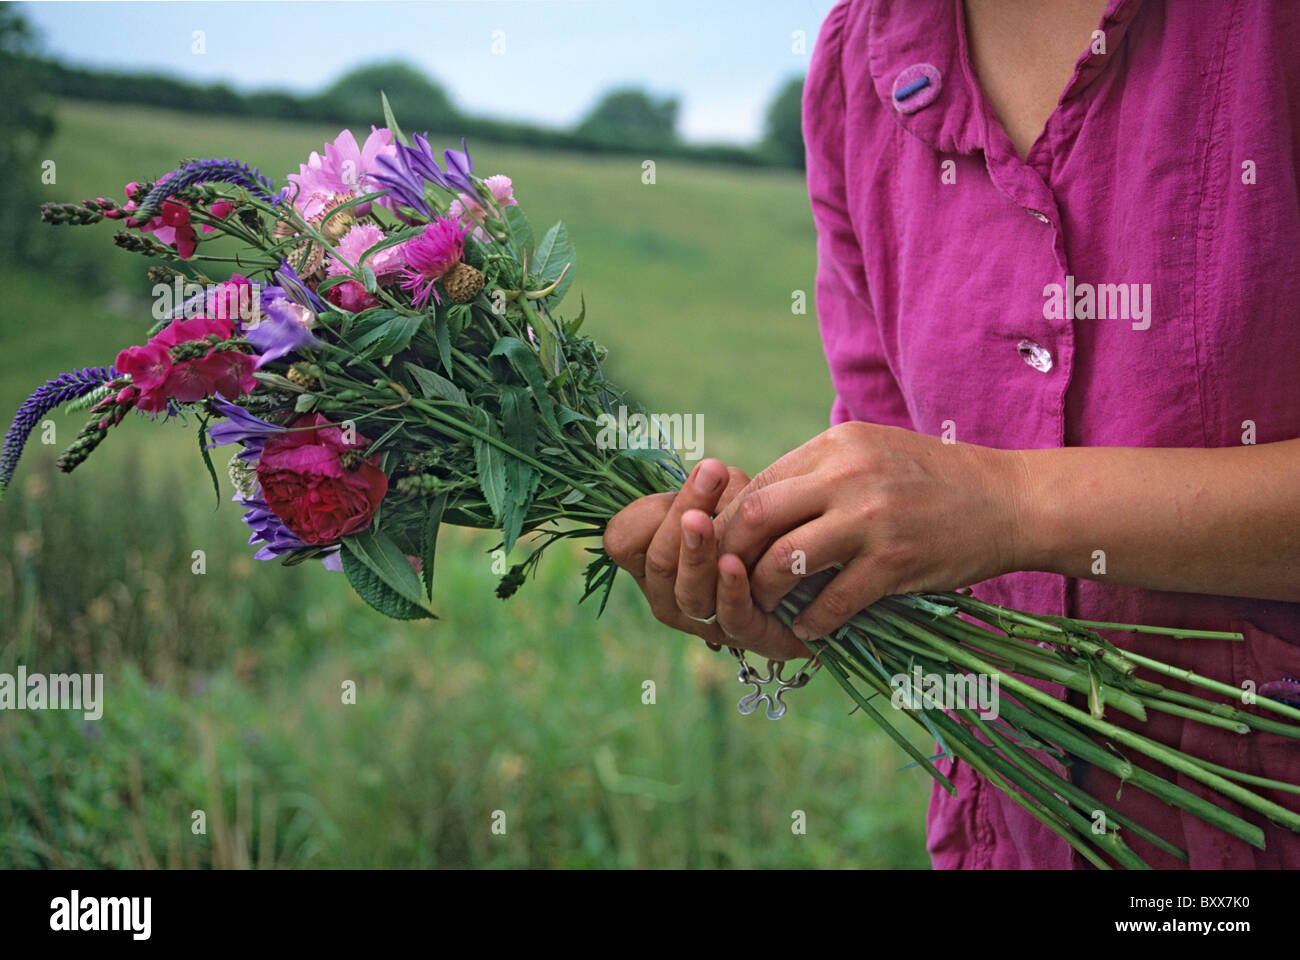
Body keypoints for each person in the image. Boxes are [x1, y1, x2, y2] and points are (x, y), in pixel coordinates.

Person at [602, 0, 1300, 868]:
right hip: (1006, 837)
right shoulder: (862, 57)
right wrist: (789, 567)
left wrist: (1016, 506)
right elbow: (909, 500)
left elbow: (977, 502)